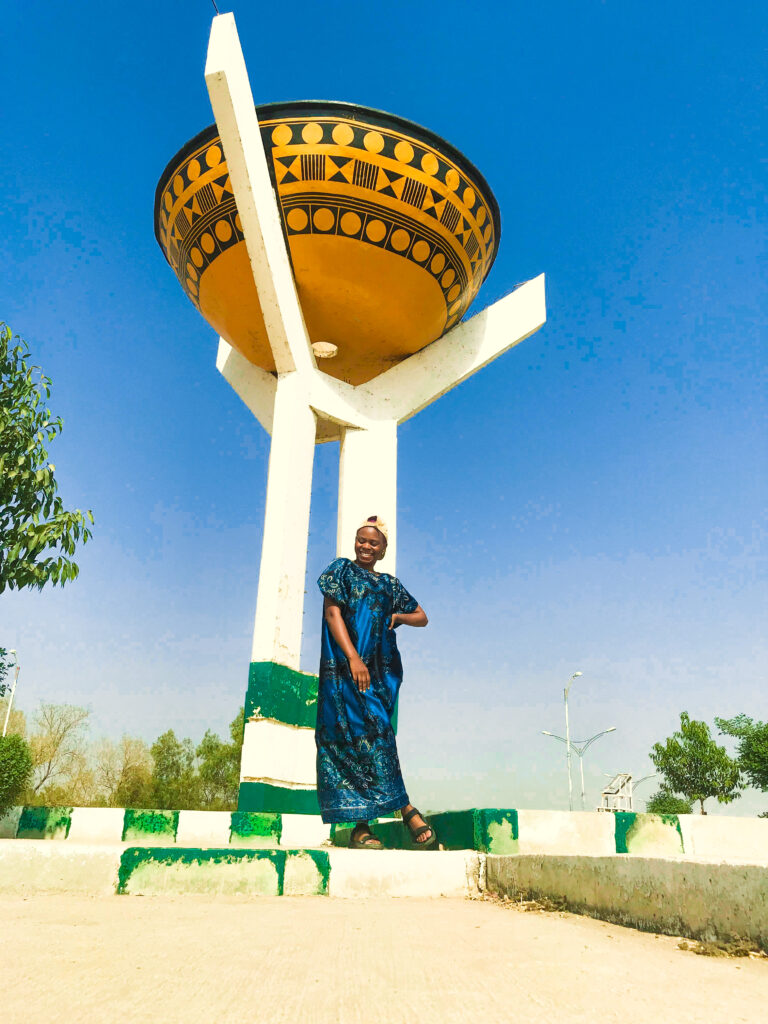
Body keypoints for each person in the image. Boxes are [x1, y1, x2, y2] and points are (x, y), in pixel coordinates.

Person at [316, 515, 436, 849]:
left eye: (373, 542)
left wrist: (397, 616)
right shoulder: (340, 570)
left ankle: (367, 825)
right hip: (343, 673)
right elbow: (332, 613)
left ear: (383, 550)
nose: (366, 546)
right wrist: (353, 658)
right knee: (351, 740)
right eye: (361, 540)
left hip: (378, 675)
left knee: (378, 736)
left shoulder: (389, 584)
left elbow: (422, 617)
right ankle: (397, 814)